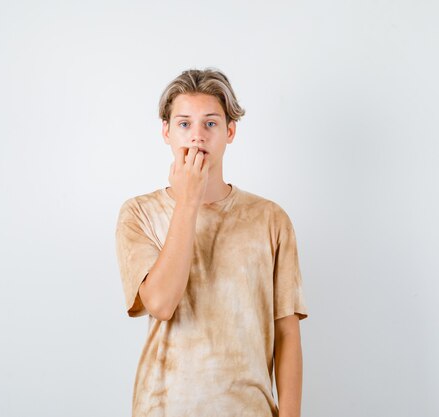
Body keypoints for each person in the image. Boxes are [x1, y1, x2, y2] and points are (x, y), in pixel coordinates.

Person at [114, 67, 309, 417]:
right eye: (184, 123)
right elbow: (160, 302)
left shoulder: (270, 219)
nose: (197, 136)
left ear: (230, 131)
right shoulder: (139, 213)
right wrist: (188, 200)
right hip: (163, 408)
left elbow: (287, 332)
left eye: (211, 123)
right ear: (166, 132)